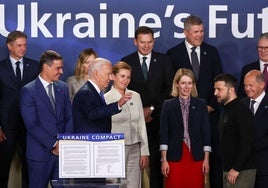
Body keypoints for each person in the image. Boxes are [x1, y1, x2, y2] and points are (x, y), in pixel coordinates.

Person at [166, 15, 223, 188]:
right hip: (183, 120)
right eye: (196, 31)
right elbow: (172, 86)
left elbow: (218, 80)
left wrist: (211, 105)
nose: (200, 35)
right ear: (186, 32)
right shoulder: (173, 54)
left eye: (202, 31)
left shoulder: (211, 52)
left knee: (212, 160)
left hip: (210, 114)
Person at [121, 26, 173, 188]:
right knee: (132, 166)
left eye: (149, 42)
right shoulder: (126, 61)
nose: (146, 46)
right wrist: (139, 112)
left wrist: (151, 109)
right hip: (133, 122)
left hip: (157, 121)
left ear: (154, 41)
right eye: (142, 42)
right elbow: (123, 89)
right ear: (135, 41)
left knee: (157, 166)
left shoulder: (164, 60)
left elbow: (169, 89)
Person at [19, 50, 73, 188]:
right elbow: (32, 125)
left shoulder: (63, 88)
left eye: (61, 67)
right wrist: (54, 144)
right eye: (58, 68)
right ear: (45, 67)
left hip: (62, 154)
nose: (61, 71)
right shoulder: (28, 91)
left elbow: (69, 117)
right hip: (39, 155)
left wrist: (63, 143)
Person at [0, 30, 39, 188]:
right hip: (6, 126)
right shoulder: (0, 67)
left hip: (29, 126)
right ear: (9, 46)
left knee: (29, 167)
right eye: (19, 45)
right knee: (2, 167)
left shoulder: (35, 66)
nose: (23, 48)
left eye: (25, 45)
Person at [160, 68, 211, 188]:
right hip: (174, 157)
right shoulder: (168, 105)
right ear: (177, 84)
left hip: (196, 156)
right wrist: (164, 160)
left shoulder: (201, 104)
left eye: (189, 83)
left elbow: (206, 133)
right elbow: (164, 134)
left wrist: (206, 159)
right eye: (183, 83)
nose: (186, 87)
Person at [104, 61, 150, 188]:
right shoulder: (106, 98)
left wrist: (144, 151)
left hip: (135, 148)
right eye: (122, 76)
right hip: (115, 149)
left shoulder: (135, 96)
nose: (125, 80)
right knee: (114, 184)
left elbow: (141, 124)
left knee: (134, 185)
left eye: (128, 77)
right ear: (113, 76)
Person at [214, 73, 256, 188]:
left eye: (219, 89)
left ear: (231, 90)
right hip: (229, 171)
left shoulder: (241, 110)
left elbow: (247, 142)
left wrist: (236, 168)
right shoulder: (225, 111)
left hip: (241, 171)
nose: (215, 93)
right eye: (215, 89)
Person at [72, 57, 132, 134]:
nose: (110, 78)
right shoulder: (86, 92)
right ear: (96, 74)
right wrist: (117, 104)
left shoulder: (95, 92)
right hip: (89, 143)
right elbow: (93, 113)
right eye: (108, 74)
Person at [242, 70, 268, 188]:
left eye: (250, 85)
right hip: (243, 169)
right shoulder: (241, 104)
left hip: (264, 168)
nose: (247, 88)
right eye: (245, 85)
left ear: (262, 85)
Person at [238, 32, 268, 98]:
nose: (263, 51)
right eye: (260, 47)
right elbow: (242, 96)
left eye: (266, 48)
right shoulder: (248, 69)